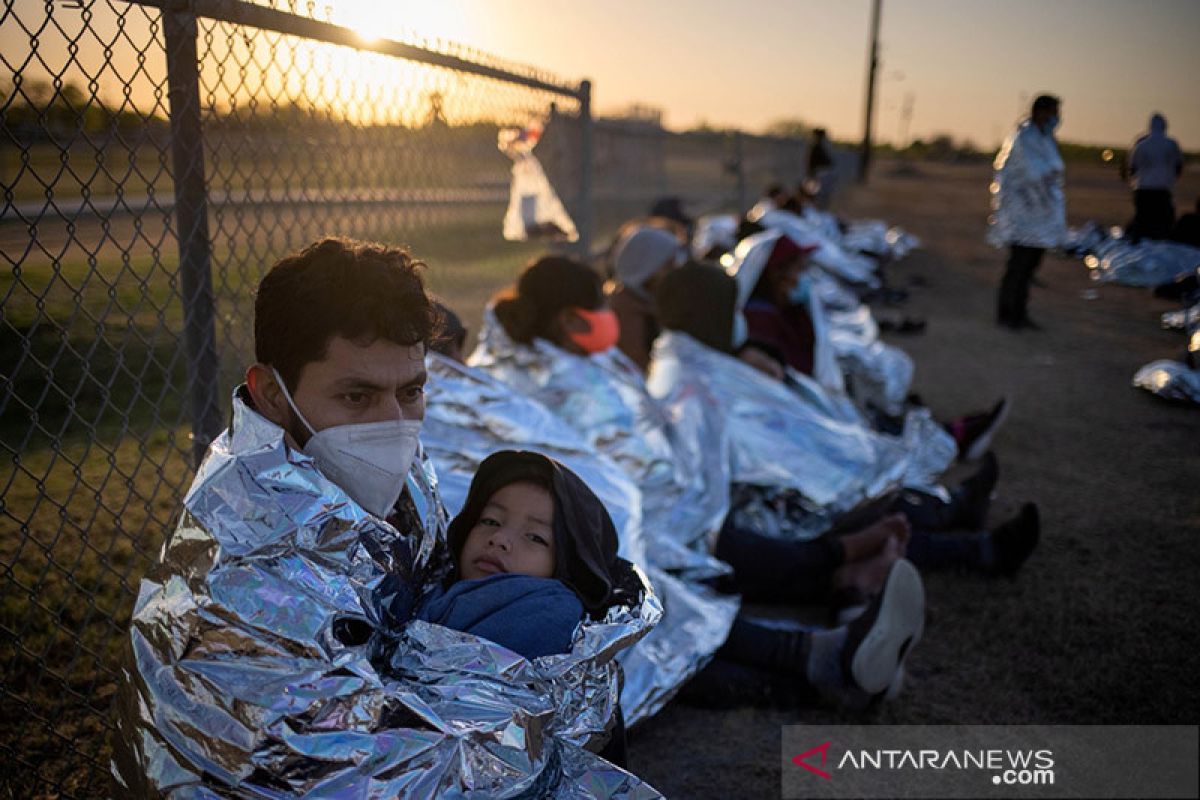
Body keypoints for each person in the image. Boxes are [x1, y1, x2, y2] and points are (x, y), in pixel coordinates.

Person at [114, 238, 658, 795]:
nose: (393, 422)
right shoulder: (242, 563)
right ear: (273, 395)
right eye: (357, 397)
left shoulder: (384, 465)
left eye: (412, 391)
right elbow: (320, 763)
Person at [988, 94, 1066, 330]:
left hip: (1039, 215)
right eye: (1053, 112)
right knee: (1018, 266)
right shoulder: (1024, 138)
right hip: (1022, 214)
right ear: (1040, 112)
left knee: (1029, 266)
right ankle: (1007, 314)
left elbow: (1053, 171)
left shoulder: (1045, 138)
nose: (1056, 118)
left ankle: (1020, 313)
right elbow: (1033, 172)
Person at [607, 224, 684, 370]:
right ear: (647, 267)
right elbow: (639, 366)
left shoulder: (647, 302)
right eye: (668, 266)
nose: (673, 273)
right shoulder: (627, 312)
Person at [1122, 114, 1184, 242]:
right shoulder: (1171, 144)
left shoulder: (1141, 145)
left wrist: (1134, 182)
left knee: (1142, 221)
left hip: (1143, 189)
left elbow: (1132, 167)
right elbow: (1179, 165)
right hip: (1162, 190)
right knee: (1163, 222)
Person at [806, 128, 837, 208]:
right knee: (815, 195)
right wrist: (811, 175)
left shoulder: (822, 147)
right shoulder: (815, 147)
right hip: (818, 174)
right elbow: (810, 163)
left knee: (821, 196)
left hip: (822, 174)